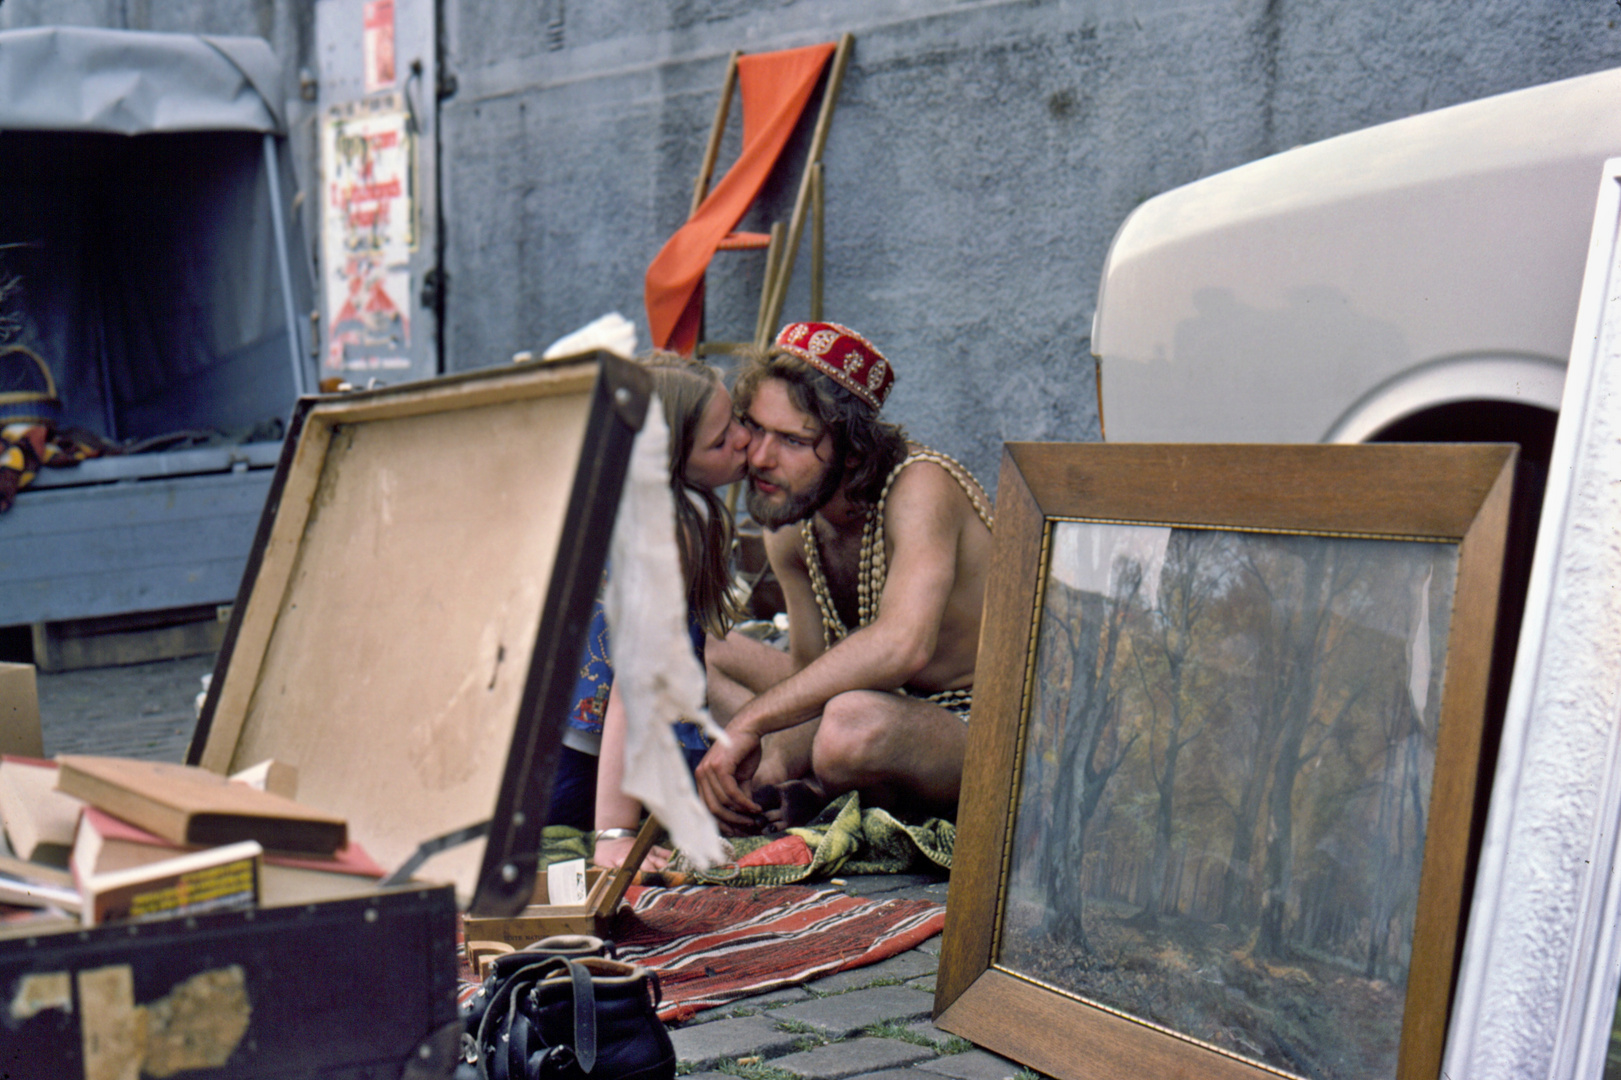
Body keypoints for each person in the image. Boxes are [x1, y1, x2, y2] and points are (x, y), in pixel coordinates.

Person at [695, 322, 995, 834]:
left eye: (793, 440)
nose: (761, 457)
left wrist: (750, 724)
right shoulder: (793, 523)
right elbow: (810, 676)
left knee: (847, 728)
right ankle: (776, 792)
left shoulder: (920, 486)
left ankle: (817, 787)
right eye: (757, 428)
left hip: (979, 725)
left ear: (853, 450)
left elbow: (903, 646)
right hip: (867, 706)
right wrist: (768, 762)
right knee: (702, 652)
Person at [545, 353, 749, 870]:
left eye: (738, 423)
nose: (743, 441)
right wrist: (615, 834)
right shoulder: (675, 530)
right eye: (721, 441)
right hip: (580, 767)